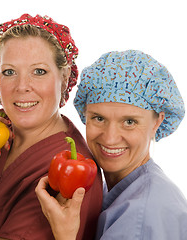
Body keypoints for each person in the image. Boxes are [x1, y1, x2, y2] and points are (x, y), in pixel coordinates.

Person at [0, 14, 103, 240]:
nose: (22, 86)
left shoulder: (70, 174)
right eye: (9, 72)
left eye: (39, 71)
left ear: (64, 78)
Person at [35, 49, 187, 239]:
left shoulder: (144, 213)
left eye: (129, 122)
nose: (110, 138)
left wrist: (64, 235)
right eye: (99, 118)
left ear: (157, 121)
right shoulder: (120, 188)